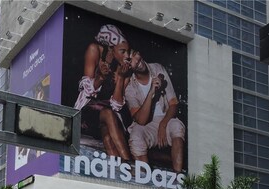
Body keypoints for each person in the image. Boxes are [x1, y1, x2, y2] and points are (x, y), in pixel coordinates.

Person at [74, 24, 133, 159]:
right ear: (111, 48)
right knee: (107, 114)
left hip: (108, 116)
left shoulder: (123, 68)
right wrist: (100, 77)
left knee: (107, 138)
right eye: (123, 51)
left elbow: (117, 105)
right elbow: (87, 92)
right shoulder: (94, 50)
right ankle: (128, 162)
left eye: (128, 52)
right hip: (88, 112)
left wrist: (122, 77)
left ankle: (124, 174)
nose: (127, 56)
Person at [124, 49, 186, 172]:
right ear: (128, 66)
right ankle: (144, 176)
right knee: (135, 135)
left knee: (177, 127)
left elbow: (173, 104)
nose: (137, 60)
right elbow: (141, 120)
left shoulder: (157, 68)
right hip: (148, 124)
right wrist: (151, 92)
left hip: (167, 119)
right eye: (131, 60)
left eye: (136, 53)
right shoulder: (130, 88)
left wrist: (163, 125)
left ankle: (178, 178)